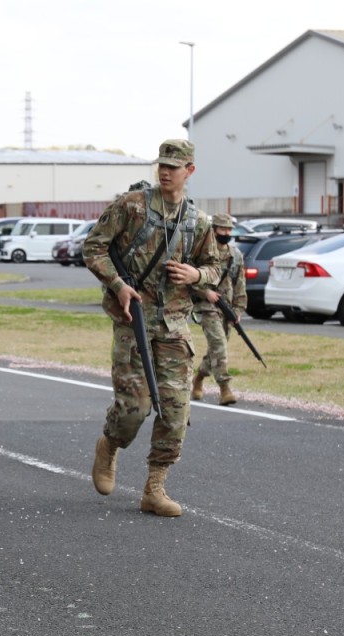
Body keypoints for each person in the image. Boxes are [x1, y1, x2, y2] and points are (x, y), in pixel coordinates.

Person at [83, 139, 221, 517]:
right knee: (135, 408)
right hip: (134, 321)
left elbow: (214, 269)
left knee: (175, 411)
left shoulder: (199, 222)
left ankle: (154, 488)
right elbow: (93, 248)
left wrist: (196, 274)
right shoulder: (132, 207)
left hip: (175, 324)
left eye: (174, 166)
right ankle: (109, 445)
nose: (165, 171)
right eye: (161, 164)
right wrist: (118, 285)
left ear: (189, 171)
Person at [191, 214, 247, 406]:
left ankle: (198, 378)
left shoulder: (235, 255)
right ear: (213, 230)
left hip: (227, 307)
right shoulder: (203, 252)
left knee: (216, 349)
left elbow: (240, 285)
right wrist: (205, 292)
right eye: (222, 229)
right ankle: (225, 388)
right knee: (219, 345)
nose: (226, 233)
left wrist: (238, 311)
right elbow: (189, 279)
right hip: (207, 307)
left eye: (229, 229)